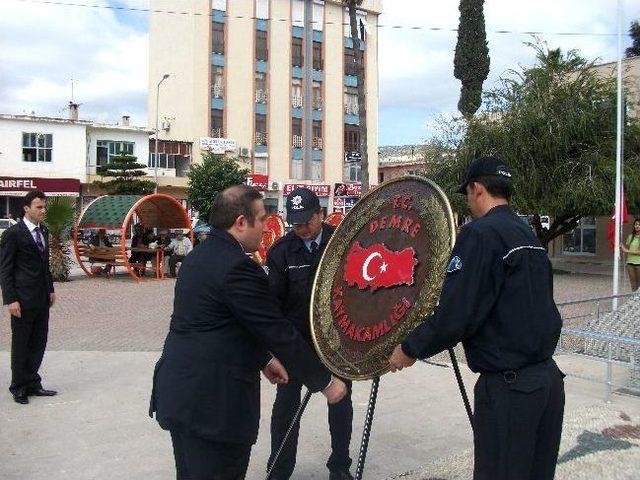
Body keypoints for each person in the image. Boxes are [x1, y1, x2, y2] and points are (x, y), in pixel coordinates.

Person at [149, 184, 347, 480]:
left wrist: (263, 360)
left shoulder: (198, 258)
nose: (268, 226)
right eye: (262, 219)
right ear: (241, 223)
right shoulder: (238, 268)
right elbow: (276, 330)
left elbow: (223, 324)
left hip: (181, 396)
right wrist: (325, 382)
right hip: (214, 405)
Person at [389, 156, 564, 480]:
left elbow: (456, 313)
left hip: (511, 391)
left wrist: (409, 348)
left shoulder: (480, 235)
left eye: (467, 194)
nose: (468, 202)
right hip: (548, 384)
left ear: (477, 188)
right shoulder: (527, 235)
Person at [266, 187, 354, 480]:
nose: (301, 228)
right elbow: (273, 306)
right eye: (296, 223)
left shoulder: (341, 243)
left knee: (340, 402)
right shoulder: (281, 251)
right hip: (295, 345)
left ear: (320, 214)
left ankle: (339, 466)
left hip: (335, 344)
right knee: (285, 411)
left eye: (306, 221)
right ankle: (279, 468)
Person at [0, 190, 57, 405]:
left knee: (38, 342)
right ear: (26, 209)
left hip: (41, 298)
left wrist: (50, 289)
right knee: (21, 344)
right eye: (39, 207)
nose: (43, 211)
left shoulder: (44, 231)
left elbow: (45, 265)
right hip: (21, 300)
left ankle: (33, 382)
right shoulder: (13, 234)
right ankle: (19, 386)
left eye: (44, 207)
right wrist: (11, 299)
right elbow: (5, 269)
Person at [621, 218, 640, 291]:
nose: (637, 226)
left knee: (639, 283)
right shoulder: (630, 236)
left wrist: (627, 251)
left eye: (639, 224)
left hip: (639, 263)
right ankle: (634, 298)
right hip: (630, 263)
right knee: (633, 283)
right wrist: (621, 246)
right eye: (636, 224)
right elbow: (627, 248)